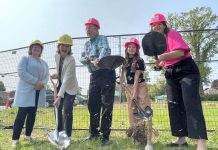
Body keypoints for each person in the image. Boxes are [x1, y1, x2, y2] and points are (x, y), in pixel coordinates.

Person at [150, 13, 207, 150]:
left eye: (159, 24)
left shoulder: (173, 34)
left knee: (191, 104)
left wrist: (162, 57)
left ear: (164, 25)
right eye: (154, 25)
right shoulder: (157, 42)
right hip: (171, 73)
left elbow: (180, 52)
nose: (156, 26)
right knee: (174, 105)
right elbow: (164, 60)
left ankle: (201, 142)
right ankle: (181, 139)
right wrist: (158, 64)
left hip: (186, 70)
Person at [80, 18, 116, 146]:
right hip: (94, 76)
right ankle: (93, 133)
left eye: (90, 27)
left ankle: (105, 136)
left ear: (97, 28)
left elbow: (104, 49)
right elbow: (81, 58)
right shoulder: (86, 44)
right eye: (86, 28)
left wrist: (98, 59)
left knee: (106, 105)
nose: (88, 30)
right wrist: (86, 59)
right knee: (92, 104)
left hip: (106, 73)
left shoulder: (102, 38)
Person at [12, 40, 49, 147]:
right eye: (34, 47)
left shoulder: (44, 63)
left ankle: (28, 135)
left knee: (32, 114)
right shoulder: (25, 59)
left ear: (41, 50)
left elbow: (47, 76)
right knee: (21, 114)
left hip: (38, 91)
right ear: (31, 49)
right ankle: (15, 139)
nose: (36, 48)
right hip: (26, 91)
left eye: (39, 47)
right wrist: (35, 81)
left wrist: (42, 83)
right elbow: (21, 72)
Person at [120, 37, 152, 147]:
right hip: (129, 87)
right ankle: (136, 138)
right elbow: (122, 74)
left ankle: (147, 139)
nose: (131, 48)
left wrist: (134, 92)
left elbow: (137, 77)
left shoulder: (139, 60)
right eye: (129, 46)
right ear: (127, 48)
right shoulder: (124, 61)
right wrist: (122, 83)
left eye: (134, 47)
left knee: (144, 109)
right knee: (132, 111)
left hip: (140, 86)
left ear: (137, 49)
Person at [51, 34, 79, 138]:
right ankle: (59, 132)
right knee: (57, 108)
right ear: (59, 46)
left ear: (70, 48)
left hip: (70, 88)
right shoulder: (56, 56)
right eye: (62, 45)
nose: (64, 48)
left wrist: (59, 96)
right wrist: (57, 75)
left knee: (67, 109)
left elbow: (67, 79)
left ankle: (67, 136)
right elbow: (62, 72)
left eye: (67, 46)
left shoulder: (71, 59)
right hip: (61, 84)